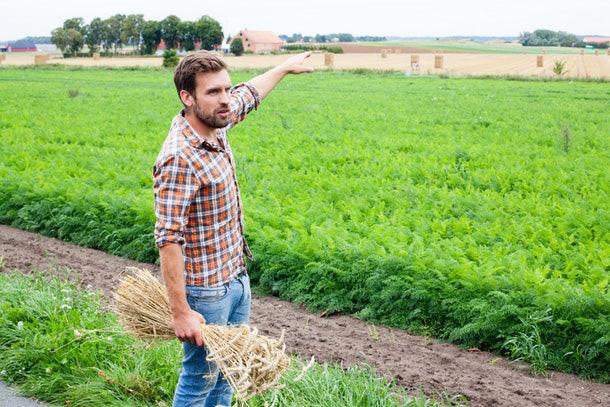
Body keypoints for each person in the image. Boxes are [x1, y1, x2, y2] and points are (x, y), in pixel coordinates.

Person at [153, 50, 313, 406]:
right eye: (213, 92)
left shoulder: (214, 120)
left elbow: (249, 95)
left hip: (236, 277)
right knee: (200, 378)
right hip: (205, 290)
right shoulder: (180, 157)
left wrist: (284, 68)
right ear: (187, 97)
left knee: (229, 371)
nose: (225, 99)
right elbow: (168, 239)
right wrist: (180, 311)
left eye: (226, 89)